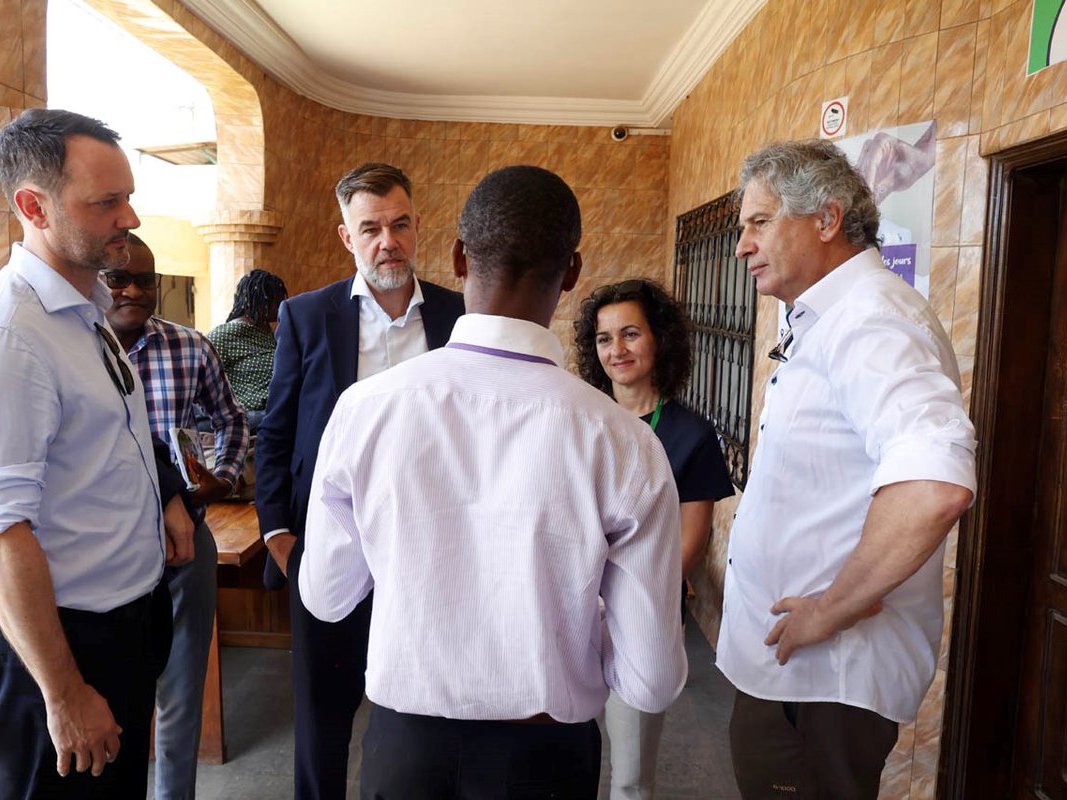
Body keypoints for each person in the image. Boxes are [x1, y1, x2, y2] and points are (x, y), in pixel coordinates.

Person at [299, 165, 688, 798]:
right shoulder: (623, 442)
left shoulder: (365, 410)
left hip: (404, 749)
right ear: (571, 273)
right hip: (545, 760)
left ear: (456, 256)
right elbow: (650, 680)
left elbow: (326, 595)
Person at [0, 108, 195, 798]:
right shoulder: (4, 335)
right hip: (54, 653)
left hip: (119, 631)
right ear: (32, 206)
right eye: (107, 202)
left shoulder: (86, 310)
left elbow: (110, 438)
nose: (129, 217)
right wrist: (66, 692)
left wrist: (162, 498)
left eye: (128, 196)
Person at [719, 139, 977, 799]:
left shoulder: (871, 319)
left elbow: (933, 487)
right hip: (799, 676)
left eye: (759, 222)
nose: (743, 245)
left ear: (827, 219)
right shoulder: (829, 318)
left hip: (826, 681)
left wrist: (831, 610)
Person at [254, 162, 464, 799]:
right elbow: (276, 430)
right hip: (330, 548)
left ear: (417, 226)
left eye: (400, 224)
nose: (387, 241)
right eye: (370, 228)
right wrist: (280, 537)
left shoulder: (458, 315)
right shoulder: (307, 316)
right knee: (321, 717)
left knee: (427, 714)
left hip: (431, 554)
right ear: (347, 237)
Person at [573, 278, 734, 800]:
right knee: (559, 766)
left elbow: (691, 537)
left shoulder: (692, 435)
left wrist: (634, 588)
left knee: (631, 780)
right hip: (568, 617)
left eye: (630, 334)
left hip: (640, 620)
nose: (616, 350)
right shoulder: (577, 420)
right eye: (604, 339)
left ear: (659, 339)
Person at [103, 233, 248, 799]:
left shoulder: (189, 346)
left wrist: (223, 476)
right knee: (114, 694)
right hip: (106, 550)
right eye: (119, 279)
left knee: (182, 694)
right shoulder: (76, 349)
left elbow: (231, 419)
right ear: (96, 279)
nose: (135, 290)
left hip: (186, 545)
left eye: (147, 280)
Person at [206, 268, 288, 432]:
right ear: (260, 300)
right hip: (249, 416)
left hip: (274, 408)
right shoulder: (226, 334)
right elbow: (201, 373)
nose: (281, 306)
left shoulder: (268, 333)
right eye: (276, 300)